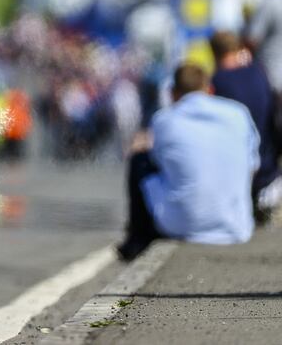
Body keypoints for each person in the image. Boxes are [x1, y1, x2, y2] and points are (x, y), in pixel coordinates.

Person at [117, 63, 260, 261]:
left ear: (172, 93)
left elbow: (158, 162)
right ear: (209, 89)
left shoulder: (164, 120)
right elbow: (253, 166)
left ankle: (137, 238)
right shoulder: (239, 112)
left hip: (179, 224)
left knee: (139, 159)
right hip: (236, 226)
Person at [210, 31, 281, 218]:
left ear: (214, 53)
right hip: (270, 171)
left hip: (239, 176)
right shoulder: (260, 72)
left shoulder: (217, 82)